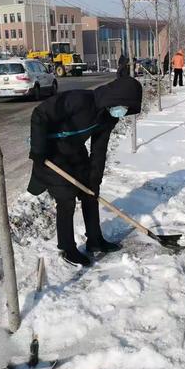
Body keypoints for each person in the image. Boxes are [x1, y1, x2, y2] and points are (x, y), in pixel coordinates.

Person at [27, 76, 143, 267]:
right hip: (51, 153)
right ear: (114, 97)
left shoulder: (108, 117)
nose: (123, 111)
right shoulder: (80, 100)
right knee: (66, 199)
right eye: (123, 106)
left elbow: (99, 148)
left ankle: (95, 240)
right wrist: (38, 150)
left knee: (91, 194)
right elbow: (40, 114)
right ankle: (68, 248)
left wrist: (94, 178)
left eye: (127, 109)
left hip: (75, 151)